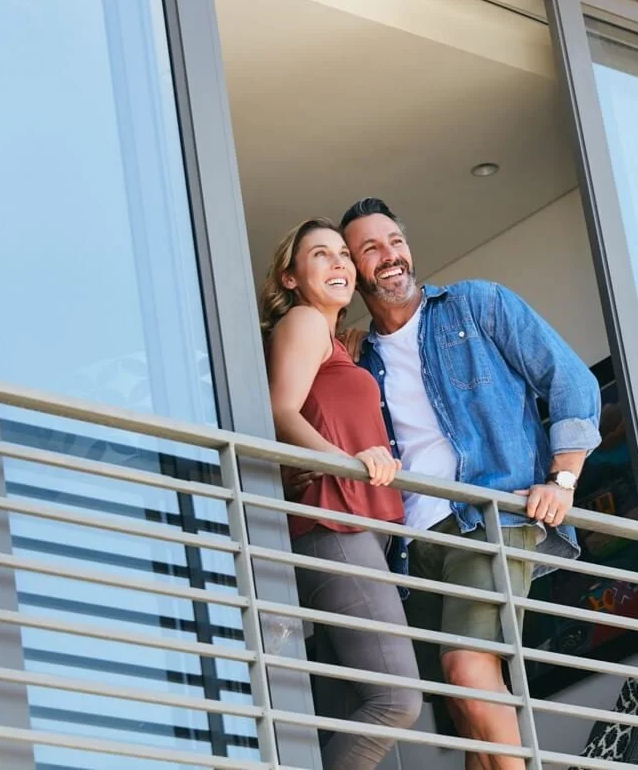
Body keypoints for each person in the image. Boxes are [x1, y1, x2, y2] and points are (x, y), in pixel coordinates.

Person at [339, 197, 602, 770]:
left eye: (395, 241)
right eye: (371, 249)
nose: (390, 256)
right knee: (464, 704)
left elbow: (571, 381)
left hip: (489, 517)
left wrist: (563, 480)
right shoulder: (362, 357)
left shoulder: (476, 304)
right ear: (355, 270)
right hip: (412, 542)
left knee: (467, 670)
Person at [258, 217, 423, 770]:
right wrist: (347, 464)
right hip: (334, 520)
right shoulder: (302, 321)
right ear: (289, 278)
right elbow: (282, 412)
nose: (339, 264)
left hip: (355, 526)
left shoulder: (336, 346)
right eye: (320, 256)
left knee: (350, 703)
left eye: (342, 256)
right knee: (396, 699)